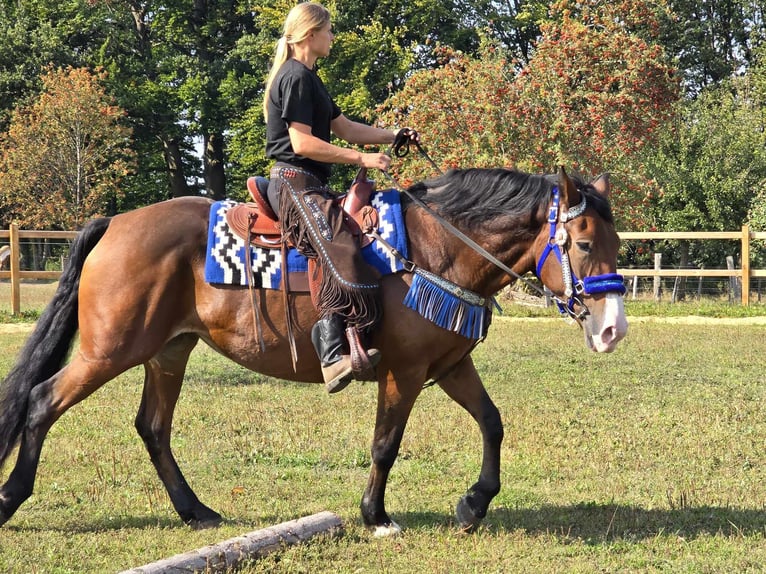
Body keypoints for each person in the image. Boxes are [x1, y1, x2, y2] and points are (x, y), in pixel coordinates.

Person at [263, 2, 418, 394]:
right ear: (310, 34)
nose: (334, 37)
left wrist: (393, 135)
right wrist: (361, 159)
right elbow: (300, 142)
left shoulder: (311, 78)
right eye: (329, 30)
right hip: (294, 183)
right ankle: (332, 352)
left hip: (309, 183)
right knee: (344, 249)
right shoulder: (295, 77)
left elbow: (345, 128)